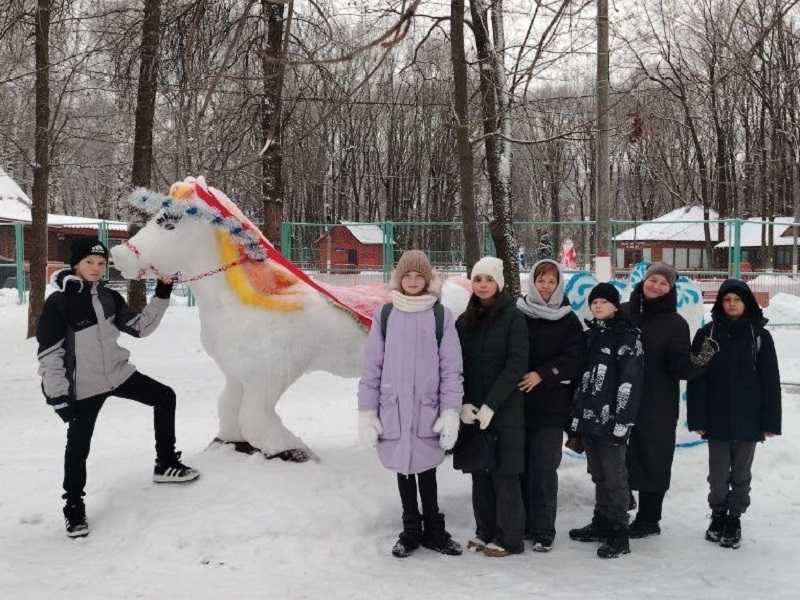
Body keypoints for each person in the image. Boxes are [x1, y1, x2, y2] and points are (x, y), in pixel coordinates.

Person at [36, 238, 199, 538]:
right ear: (76, 264)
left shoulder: (110, 297)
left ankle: (165, 463)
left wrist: (163, 291)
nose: (96, 268)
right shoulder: (59, 303)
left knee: (165, 397)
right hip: (84, 388)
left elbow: (140, 327)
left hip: (118, 374)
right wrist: (58, 396)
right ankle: (73, 508)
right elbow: (49, 354)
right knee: (78, 447)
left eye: (100, 263)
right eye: (89, 263)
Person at [357, 250, 464, 558]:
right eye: (408, 275)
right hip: (394, 409)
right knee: (403, 470)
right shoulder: (386, 315)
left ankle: (435, 529)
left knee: (427, 469)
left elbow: (451, 369)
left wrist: (450, 411)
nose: (414, 281)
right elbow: (372, 366)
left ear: (428, 279)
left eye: (419, 276)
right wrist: (367, 411)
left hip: (427, 410)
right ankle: (410, 530)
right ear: (399, 279)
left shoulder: (440, 316)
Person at [687, 279, 781, 549]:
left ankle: (734, 517)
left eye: (736, 300)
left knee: (741, 473)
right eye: (727, 299)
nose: (731, 304)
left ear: (746, 303)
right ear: (720, 303)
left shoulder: (760, 337)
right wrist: (698, 419)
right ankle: (717, 514)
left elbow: (770, 381)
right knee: (717, 475)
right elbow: (697, 379)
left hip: (749, 420)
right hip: (715, 420)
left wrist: (769, 421)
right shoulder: (708, 334)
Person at [622, 262, 708, 537]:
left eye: (664, 283)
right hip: (620, 397)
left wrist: (701, 358)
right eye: (653, 280)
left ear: (671, 289)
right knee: (615, 455)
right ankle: (614, 508)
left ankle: (649, 519)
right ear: (643, 280)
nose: (656, 286)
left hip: (656, 402)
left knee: (653, 456)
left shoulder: (675, 323)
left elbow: (681, 368)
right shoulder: (624, 312)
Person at [454, 256, 529, 557]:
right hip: (472, 411)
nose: (483, 285)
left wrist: (491, 405)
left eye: (488, 279)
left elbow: (516, 365)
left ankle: (510, 538)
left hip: (505, 410)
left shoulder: (514, 318)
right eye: (477, 279)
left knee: (504, 475)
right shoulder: (464, 320)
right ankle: (484, 531)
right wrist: (465, 403)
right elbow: (456, 364)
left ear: (498, 282)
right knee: (479, 473)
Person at [568, 283, 644, 558]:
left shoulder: (627, 336)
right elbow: (582, 380)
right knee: (598, 473)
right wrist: (576, 417)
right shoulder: (591, 336)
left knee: (615, 477)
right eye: (594, 302)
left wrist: (622, 422)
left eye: (604, 302)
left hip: (613, 420)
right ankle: (601, 521)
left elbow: (631, 382)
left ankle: (618, 532)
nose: (598, 306)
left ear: (615, 305)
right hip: (590, 418)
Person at [516, 259, 583, 552]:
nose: (545, 286)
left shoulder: (568, 319)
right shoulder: (518, 313)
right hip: (517, 406)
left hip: (551, 407)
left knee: (544, 469)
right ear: (532, 281)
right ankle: (523, 524)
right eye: (541, 280)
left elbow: (575, 358)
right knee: (519, 468)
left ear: (559, 285)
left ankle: (544, 530)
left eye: (551, 281)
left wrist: (543, 374)